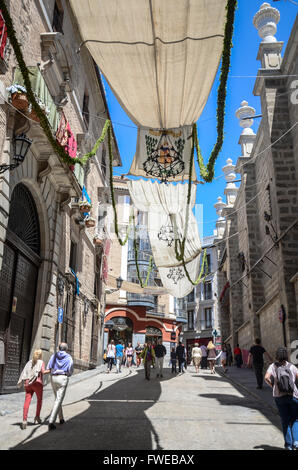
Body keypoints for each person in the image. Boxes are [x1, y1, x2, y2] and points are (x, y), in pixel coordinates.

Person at [265, 347, 298, 450]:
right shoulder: (292, 366)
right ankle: (296, 442)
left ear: (277, 356)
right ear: (286, 356)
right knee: (295, 419)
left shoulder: (273, 366)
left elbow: (266, 378)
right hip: (293, 396)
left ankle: (288, 445)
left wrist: (273, 386)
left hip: (279, 397)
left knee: (285, 421)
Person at [17, 349, 49, 430]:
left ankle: (24, 420)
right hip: (37, 383)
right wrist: (51, 370)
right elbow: (43, 372)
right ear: (41, 355)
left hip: (28, 383)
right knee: (39, 400)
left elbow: (24, 372)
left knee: (27, 401)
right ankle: (37, 417)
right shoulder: (41, 362)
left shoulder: (29, 362)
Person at [47, 343, 73, 431]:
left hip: (53, 378)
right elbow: (70, 370)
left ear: (59, 348)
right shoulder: (69, 357)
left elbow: (49, 366)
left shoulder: (54, 356)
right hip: (62, 378)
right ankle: (51, 421)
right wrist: (67, 375)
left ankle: (61, 418)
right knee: (58, 399)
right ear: (66, 349)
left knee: (57, 399)